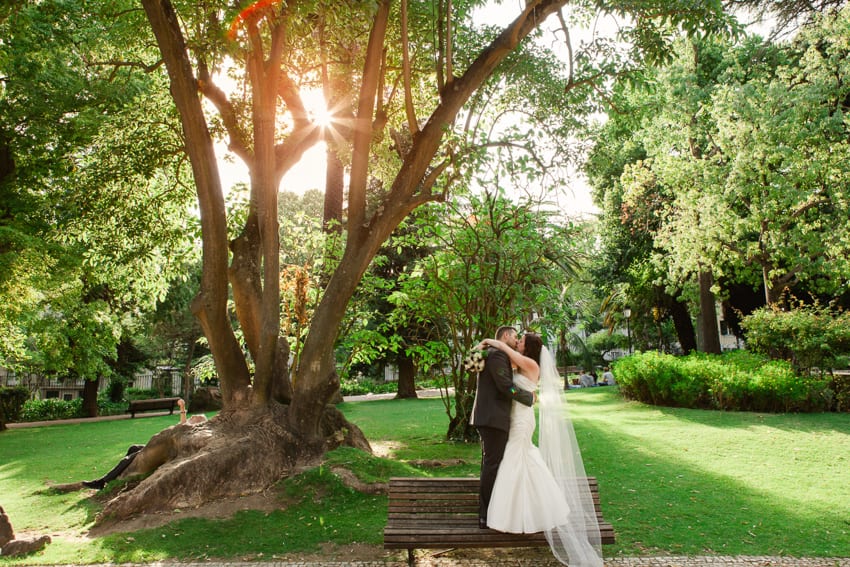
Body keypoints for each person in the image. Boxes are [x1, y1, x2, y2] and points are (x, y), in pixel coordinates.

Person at [477, 333, 603, 567]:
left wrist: (493, 341)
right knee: (519, 460)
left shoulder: (530, 363)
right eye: (516, 339)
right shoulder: (519, 363)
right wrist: (482, 350)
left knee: (515, 458)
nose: (518, 343)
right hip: (513, 417)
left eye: (521, 341)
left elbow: (508, 373)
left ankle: (511, 514)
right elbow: (501, 375)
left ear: (529, 348)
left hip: (521, 419)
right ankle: (518, 511)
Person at [469, 325, 535, 530]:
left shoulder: (490, 352)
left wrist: (477, 348)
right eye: (515, 337)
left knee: (490, 464)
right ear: (506, 335)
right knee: (492, 465)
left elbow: (469, 367)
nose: (516, 341)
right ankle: (485, 515)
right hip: (494, 418)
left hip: (487, 417)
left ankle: (490, 512)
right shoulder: (498, 355)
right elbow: (506, 386)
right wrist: (529, 397)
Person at [82, 399, 206, 490]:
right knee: (133, 448)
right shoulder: (187, 429)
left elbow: (184, 425)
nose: (193, 416)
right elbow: (183, 424)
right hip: (159, 446)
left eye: (195, 417)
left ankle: (102, 481)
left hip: (163, 452)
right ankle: (121, 472)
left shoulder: (190, 431)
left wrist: (182, 407)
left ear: (197, 423)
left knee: (132, 456)